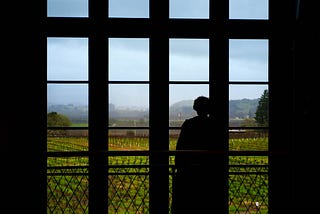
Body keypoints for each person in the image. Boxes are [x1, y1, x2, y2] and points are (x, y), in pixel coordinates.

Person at [171, 96, 226, 213]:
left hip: (189, 172)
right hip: (210, 173)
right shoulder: (215, 125)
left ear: (195, 108)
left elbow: (180, 148)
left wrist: (179, 167)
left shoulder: (188, 124)